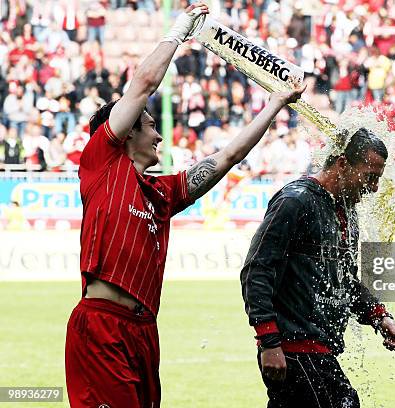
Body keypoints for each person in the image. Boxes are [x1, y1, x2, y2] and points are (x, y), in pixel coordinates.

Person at [64, 4, 306, 407]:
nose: (159, 137)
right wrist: (181, 31)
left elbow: (227, 157)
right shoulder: (102, 163)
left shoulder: (161, 193)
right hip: (103, 326)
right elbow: (141, 85)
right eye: (151, 125)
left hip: (144, 331)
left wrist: (277, 102)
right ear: (124, 134)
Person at [241, 128, 395, 408]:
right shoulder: (295, 201)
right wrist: (269, 342)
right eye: (370, 177)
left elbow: (346, 282)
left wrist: (380, 317)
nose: (374, 188)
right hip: (294, 349)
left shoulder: (347, 213)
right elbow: (257, 270)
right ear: (342, 164)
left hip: (319, 349)